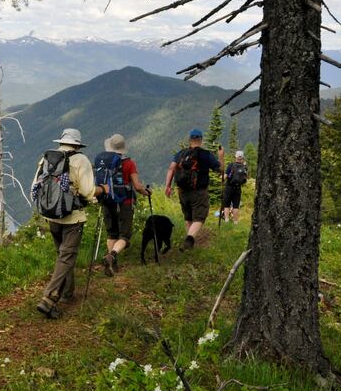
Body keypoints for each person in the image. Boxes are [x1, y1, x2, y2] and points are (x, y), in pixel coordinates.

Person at [32, 128, 106, 319]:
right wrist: (102, 190)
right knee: (66, 256)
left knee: (63, 255)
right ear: (77, 144)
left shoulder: (47, 159)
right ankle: (48, 298)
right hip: (72, 217)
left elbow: (35, 186)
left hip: (52, 215)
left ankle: (67, 292)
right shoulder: (80, 160)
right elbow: (88, 191)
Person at [97, 134, 151, 276]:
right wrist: (147, 193)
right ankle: (112, 255)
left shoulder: (104, 162)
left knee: (112, 233)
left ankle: (112, 264)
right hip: (125, 202)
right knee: (125, 235)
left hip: (107, 201)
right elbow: (137, 186)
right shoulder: (129, 163)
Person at [164, 129, 224, 251]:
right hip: (199, 192)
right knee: (199, 218)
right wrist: (221, 156)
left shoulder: (181, 153)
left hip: (183, 191)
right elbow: (221, 170)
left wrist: (168, 186)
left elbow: (171, 168)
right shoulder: (205, 154)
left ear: (190, 140)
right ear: (201, 140)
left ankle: (188, 248)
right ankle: (189, 239)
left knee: (188, 218)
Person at [223, 150, 248, 223]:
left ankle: (227, 220)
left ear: (236, 157)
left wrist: (221, 178)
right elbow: (245, 178)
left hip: (229, 187)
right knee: (236, 206)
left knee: (226, 205)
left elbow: (225, 177)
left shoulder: (231, 165)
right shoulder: (244, 167)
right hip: (238, 188)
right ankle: (235, 222)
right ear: (242, 158)